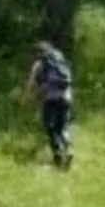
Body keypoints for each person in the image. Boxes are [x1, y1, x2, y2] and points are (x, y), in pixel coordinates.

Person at [24, 41, 74, 170]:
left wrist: (28, 98)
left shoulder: (39, 64)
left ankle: (58, 159)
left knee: (51, 128)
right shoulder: (60, 59)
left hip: (51, 99)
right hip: (66, 97)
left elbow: (31, 83)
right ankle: (69, 150)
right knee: (63, 126)